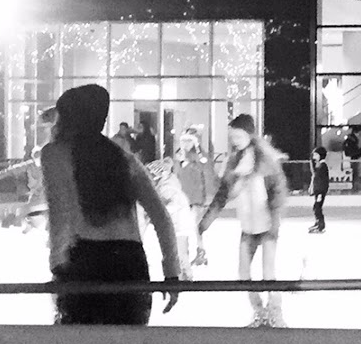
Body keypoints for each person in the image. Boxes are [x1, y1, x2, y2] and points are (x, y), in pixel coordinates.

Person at [41, 83, 181, 325]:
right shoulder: (124, 160)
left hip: (86, 263)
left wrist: (58, 267)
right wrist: (171, 272)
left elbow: (59, 213)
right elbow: (161, 217)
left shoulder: (54, 154)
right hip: (131, 263)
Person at [199, 114, 291, 327]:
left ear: (249, 134)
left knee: (269, 273)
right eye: (232, 136)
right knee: (243, 274)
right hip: (248, 227)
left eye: (239, 135)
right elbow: (221, 196)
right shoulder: (234, 162)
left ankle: (275, 313)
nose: (235, 140)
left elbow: (278, 192)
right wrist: (204, 224)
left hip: (267, 225)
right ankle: (259, 312)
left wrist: (275, 220)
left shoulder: (266, 161)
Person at [173, 127, 220, 266]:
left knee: (193, 226)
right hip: (183, 198)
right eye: (184, 141)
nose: (186, 144)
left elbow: (206, 169)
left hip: (197, 199)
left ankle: (200, 252)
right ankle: (191, 253)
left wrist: (197, 149)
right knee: (186, 228)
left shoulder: (200, 156)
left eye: (189, 141)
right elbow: (177, 174)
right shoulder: (180, 155)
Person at [309, 146, 330, 233]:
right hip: (318, 191)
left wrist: (321, 193)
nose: (314, 156)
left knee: (317, 207)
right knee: (316, 207)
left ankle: (321, 225)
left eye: (316, 154)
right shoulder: (319, 165)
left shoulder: (323, 166)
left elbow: (323, 181)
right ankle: (318, 222)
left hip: (320, 191)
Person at [342, 126, 361, 192]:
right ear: (355, 132)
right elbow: (351, 153)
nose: (360, 136)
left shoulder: (352, 141)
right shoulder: (351, 141)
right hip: (351, 162)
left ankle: (355, 188)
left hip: (353, 161)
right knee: (354, 175)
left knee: (355, 175)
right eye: (359, 134)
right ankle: (355, 189)